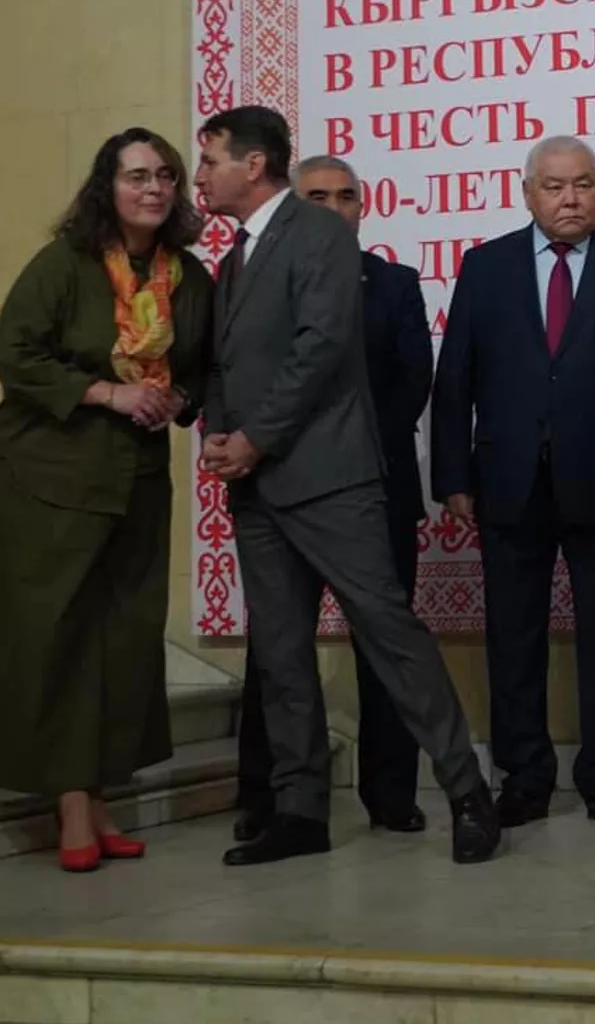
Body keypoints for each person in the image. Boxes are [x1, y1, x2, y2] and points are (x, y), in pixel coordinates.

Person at [192, 106, 498, 867]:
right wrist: (220, 435)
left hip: (330, 477)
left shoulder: (320, 234)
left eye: (210, 160)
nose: (200, 177)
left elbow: (321, 346)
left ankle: (467, 792)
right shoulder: (235, 259)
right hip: (257, 490)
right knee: (281, 654)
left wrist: (256, 438)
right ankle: (299, 810)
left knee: (390, 635)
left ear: (253, 165)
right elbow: (225, 364)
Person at [0, 129, 212, 873]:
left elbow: (204, 368)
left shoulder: (187, 275)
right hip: (47, 477)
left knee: (120, 639)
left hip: (134, 480)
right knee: (57, 638)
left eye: (165, 175)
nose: (153, 189)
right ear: (106, 187)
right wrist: (108, 393)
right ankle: (69, 804)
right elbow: (17, 355)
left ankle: (97, 799)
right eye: (136, 176)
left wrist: (177, 396)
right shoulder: (65, 263)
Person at [431, 135, 595, 830]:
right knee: (514, 638)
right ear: (527, 194)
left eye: (584, 185)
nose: (571, 199)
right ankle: (524, 778)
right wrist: (452, 474)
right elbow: (455, 379)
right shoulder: (485, 266)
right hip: (507, 479)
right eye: (555, 186)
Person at [234, 154, 434, 841]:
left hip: (371, 489)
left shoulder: (394, 283)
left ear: (362, 208)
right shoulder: (257, 282)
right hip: (278, 489)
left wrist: (347, 455)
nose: (334, 208)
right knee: (276, 648)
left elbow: (412, 382)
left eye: (346, 197)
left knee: (386, 645)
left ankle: (392, 795)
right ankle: (267, 798)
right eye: (317, 196)